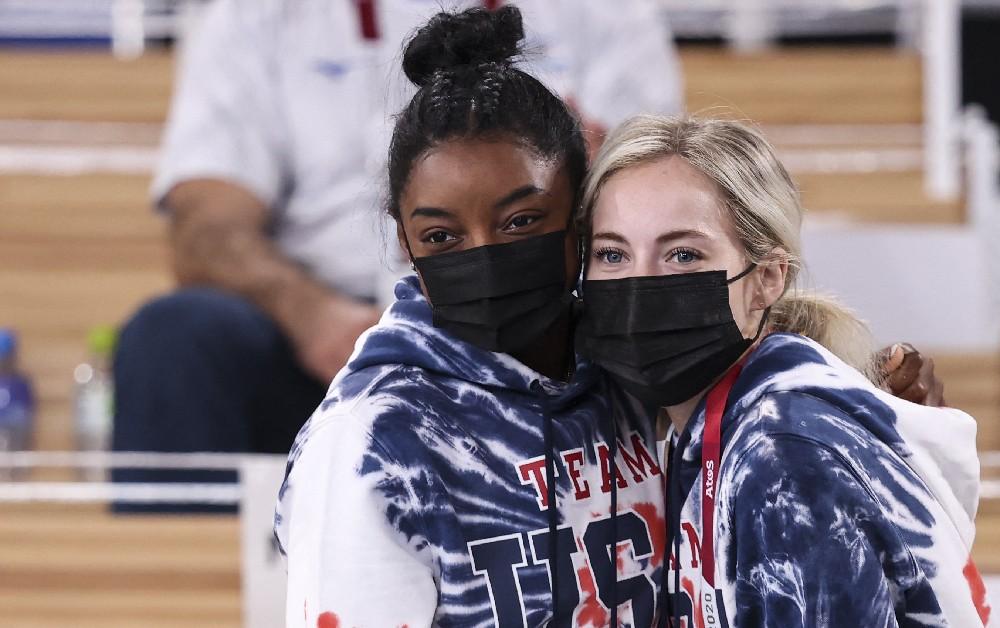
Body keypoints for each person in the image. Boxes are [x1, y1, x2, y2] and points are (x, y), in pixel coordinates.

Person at [112, 0, 683, 477]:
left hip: (541, 315)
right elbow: (206, 228)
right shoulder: (254, 16)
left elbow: (660, 192)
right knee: (174, 337)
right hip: (322, 336)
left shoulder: (606, 11)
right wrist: (311, 315)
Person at [275, 8, 665, 626]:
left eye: (520, 221)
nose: (484, 254)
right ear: (405, 242)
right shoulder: (372, 441)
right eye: (442, 236)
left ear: (582, 209)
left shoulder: (644, 379)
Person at [576, 115, 989, 626]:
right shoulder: (726, 427)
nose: (638, 286)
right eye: (612, 254)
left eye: (683, 254)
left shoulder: (783, 455)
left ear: (767, 279)